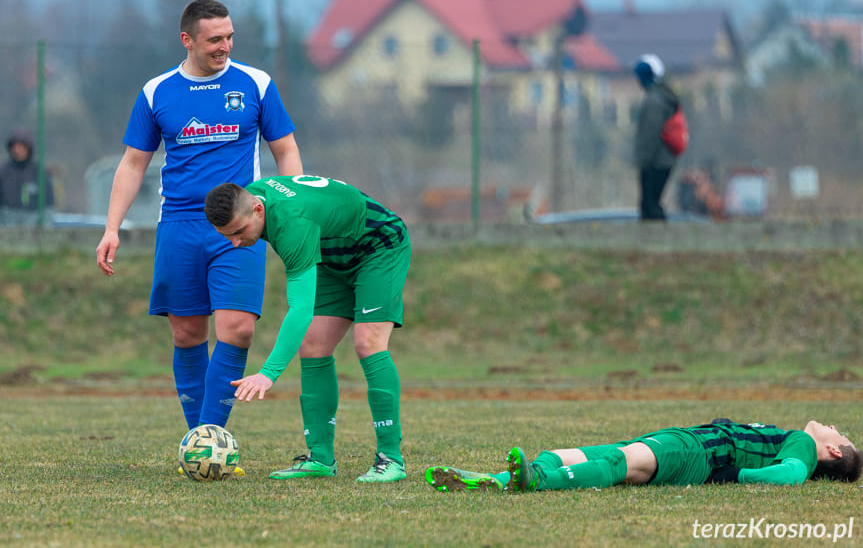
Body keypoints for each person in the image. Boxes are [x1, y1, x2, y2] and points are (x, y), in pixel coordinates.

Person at [95, 0, 303, 451]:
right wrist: (112, 227)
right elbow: (133, 164)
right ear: (187, 40)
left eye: (229, 37)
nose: (225, 46)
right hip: (180, 226)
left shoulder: (256, 84)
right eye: (214, 39)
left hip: (240, 226)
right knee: (187, 333)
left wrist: (291, 206)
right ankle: (199, 439)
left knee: (239, 329)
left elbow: (285, 150)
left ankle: (210, 440)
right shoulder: (157, 92)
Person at [204, 176, 410, 483]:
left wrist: (268, 373)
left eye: (239, 232)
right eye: (226, 236)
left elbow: (299, 310)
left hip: (377, 246)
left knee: (368, 342)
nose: (235, 242)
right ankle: (321, 458)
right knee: (313, 345)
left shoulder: (292, 224)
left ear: (258, 210)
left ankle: (391, 459)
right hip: (331, 253)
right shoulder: (249, 198)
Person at [425, 418, 862, 493]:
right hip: (689, 446)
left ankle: (533, 481)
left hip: (695, 452)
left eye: (839, 433)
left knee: (621, 464)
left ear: (835, 450)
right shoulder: (795, 441)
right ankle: (495, 480)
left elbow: (788, 477)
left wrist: (731, 477)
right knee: (568, 454)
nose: (832, 425)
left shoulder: (803, 447)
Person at [634, 54, 679, 221]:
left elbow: (650, 134)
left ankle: (656, 237)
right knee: (652, 203)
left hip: (654, 161)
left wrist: (643, 159)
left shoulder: (654, 100)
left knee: (650, 205)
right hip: (665, 159)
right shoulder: (664, 97)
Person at [0, 129, 54, 225]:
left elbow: (48, 204)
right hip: (7, 223)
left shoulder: (39, 172)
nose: (17, 150)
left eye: (21, 147)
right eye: (15, 147)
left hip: (33, 225)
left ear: (28, 148)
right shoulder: (3, 172)